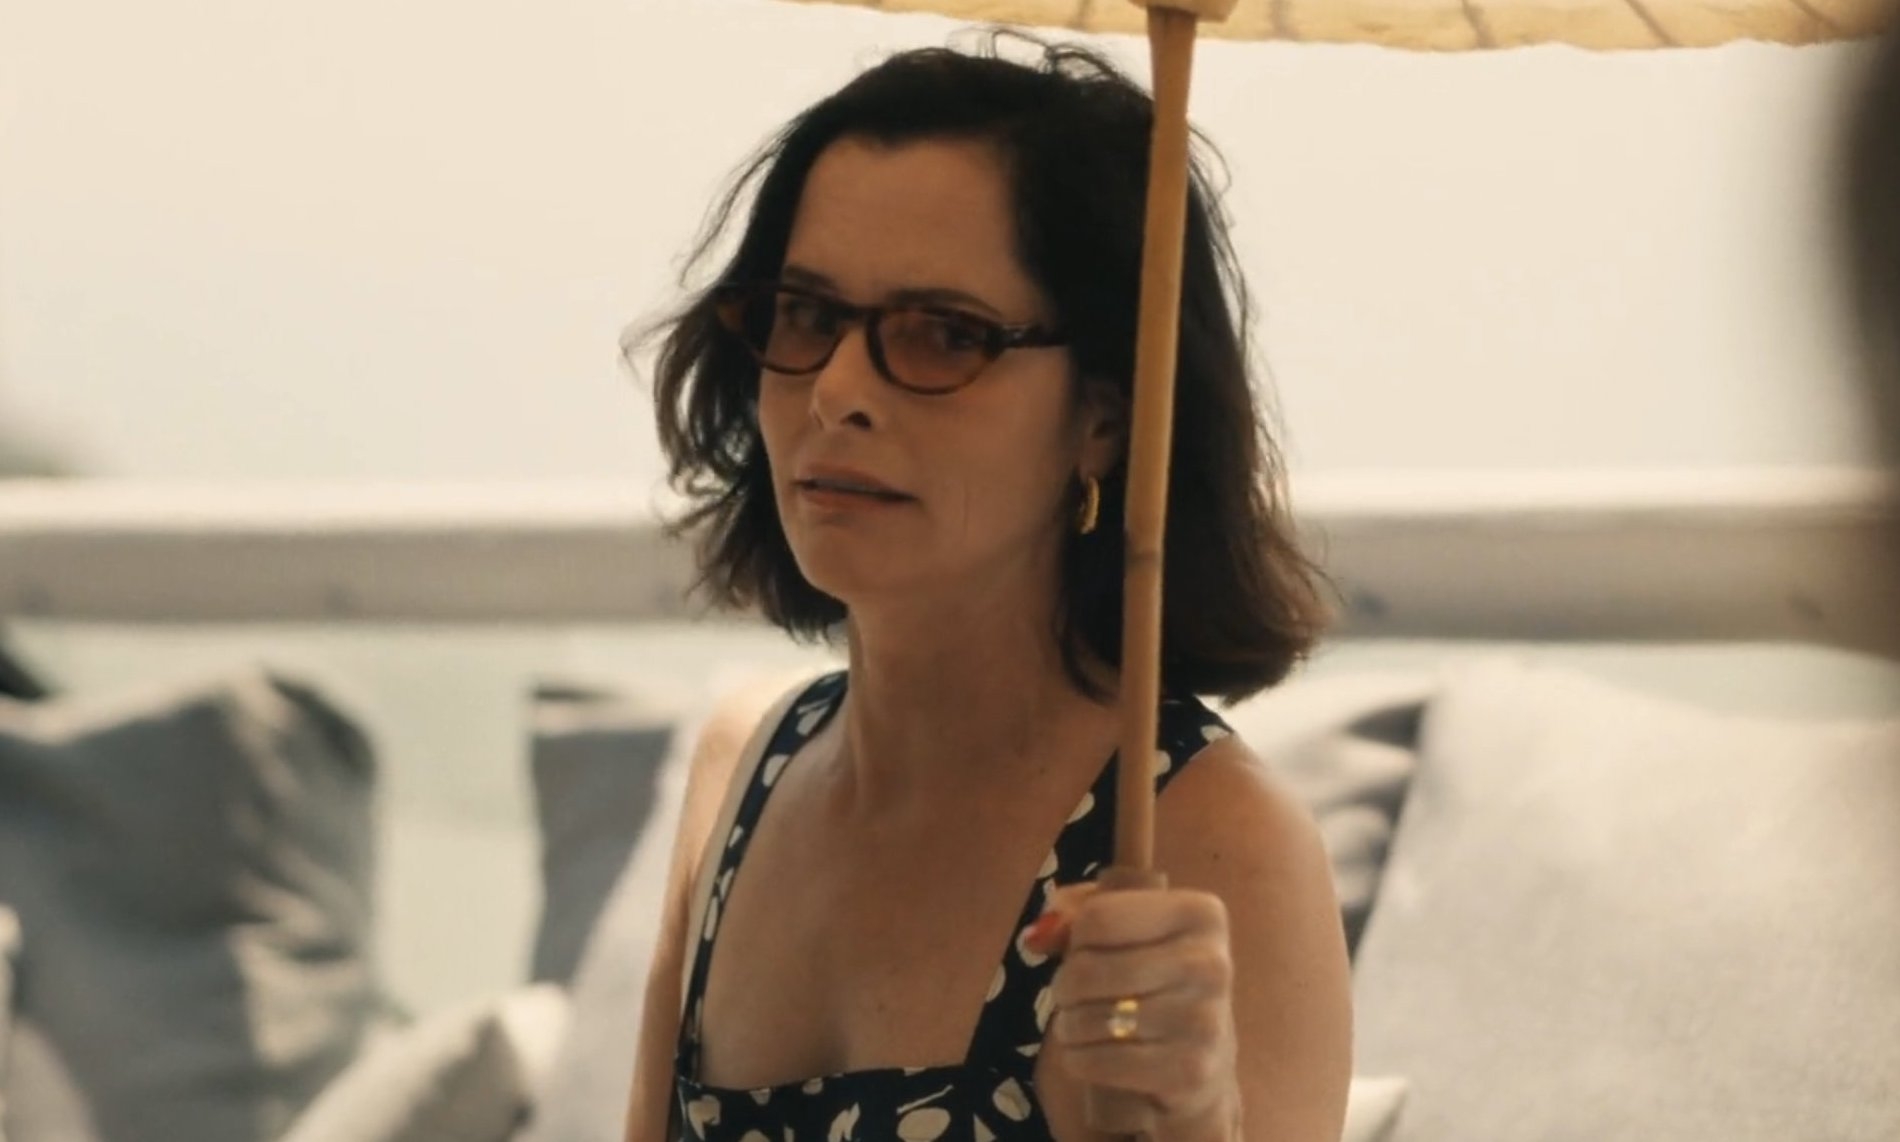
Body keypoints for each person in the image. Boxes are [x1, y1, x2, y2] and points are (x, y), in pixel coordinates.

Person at [621, 31, 1351, 1142]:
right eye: (808, 314)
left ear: (1104, 418)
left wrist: (1191, 1123)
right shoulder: (739, 769)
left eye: (941, 335)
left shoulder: (1211, 844)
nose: (837, 393)